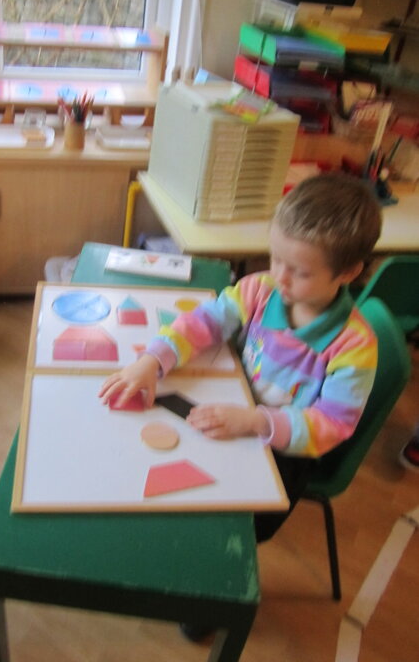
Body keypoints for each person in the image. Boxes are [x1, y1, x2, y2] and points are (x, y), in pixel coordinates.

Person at [99, 172, 382, 639]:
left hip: (284, 451)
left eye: (300, 271)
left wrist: (255, 421)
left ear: (348, 273)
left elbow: (332, 425)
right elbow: (205, 322)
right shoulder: (260, 289)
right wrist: (153, 360)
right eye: (276, 258)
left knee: (230, 528)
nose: (280, 277)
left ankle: (212, 594)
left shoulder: (354, 346)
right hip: (234, 408)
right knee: (174, 477)